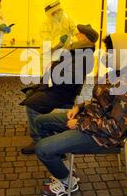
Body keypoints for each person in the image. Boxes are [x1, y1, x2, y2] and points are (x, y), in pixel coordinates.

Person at [33, 33, 127, 196]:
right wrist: (79, 108)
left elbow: (114, 128)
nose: (106, 55)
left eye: (109, 52)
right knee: (40, 122)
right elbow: (101, 101)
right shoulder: (116, 73)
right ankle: (65, 168)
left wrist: (79, 124)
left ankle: (67, 181)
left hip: (101, 137)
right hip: (88, 120)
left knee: (42, 149)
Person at [19, 24, 99, 155]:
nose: (76, 35)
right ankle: (45, 128)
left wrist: (54, 69)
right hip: (58, 87)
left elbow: (69, 79)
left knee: (32, 104)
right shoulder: (79, 50)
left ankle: (38, 139)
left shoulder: (85, 56)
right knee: (30, 93)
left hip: (64, 92)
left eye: (79, 34)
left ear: (85, 38)